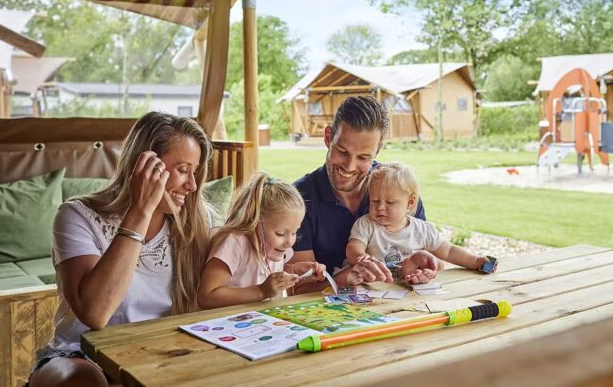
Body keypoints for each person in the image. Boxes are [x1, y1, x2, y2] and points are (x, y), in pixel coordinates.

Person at [28, 112, 212, 387]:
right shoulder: (77, 215)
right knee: (81, 381)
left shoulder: (197, 220)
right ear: (145, 166)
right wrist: (141, 210)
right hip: (81, 355)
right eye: (183, 170)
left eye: (195, 172)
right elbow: (95, 313)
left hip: (161, 352)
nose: (192, 185)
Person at [290, 96, 426, 288]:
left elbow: (429, 257)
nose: (349, 166)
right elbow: (297, 289)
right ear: (328, 138)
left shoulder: (398, 190)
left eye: (363, 157)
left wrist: (424, 270)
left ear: (377, 152)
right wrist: (343, 279)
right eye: (342, 151)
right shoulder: (298, 201)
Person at [347, 162, 496, 284]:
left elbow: (449, 251)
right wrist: (362, 257)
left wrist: (475, 261)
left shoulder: (422, 230)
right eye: (375, 201)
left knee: (423, 268)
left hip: (407, 289)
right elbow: (353, 248)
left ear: (410, 203)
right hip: (373, 288)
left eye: (390, 202)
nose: (380, 207)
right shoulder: (366, 224)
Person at [197, 173, 326, 308]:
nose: (290, 242)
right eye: (280, 233)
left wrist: (296, 272)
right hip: (227, 320)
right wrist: (261, 291)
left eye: (294, 232)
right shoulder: (234, 242)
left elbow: (268, 273)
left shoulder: (275, 247)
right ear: (255, 221)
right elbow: (206, 297)